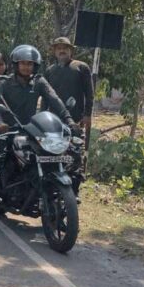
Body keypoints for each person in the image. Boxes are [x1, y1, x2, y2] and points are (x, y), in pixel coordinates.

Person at [0, 44, 75, 229]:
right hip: (7, 129)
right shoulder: (3, 82)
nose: (26, 67)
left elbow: (55, 101)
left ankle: (61, 207)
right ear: (16, 65)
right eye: (23, 63)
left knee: (70, 155)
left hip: (32, 131)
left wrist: (69, 121)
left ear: (35, 65)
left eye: (30, 64)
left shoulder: (39, 82)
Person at [43, 37, 93, 197]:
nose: (62, 50)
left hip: (75, 121)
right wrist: (42, 116)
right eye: (58, 48)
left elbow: (89, 93)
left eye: (65, 48)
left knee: (75, 157)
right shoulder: (50, 71)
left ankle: (74, 192)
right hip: (53, 122)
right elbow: (45, 97)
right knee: (50, 156)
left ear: (71, 50)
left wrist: (87, 114)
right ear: (54, 51)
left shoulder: (81, 67)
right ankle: (51, 191)